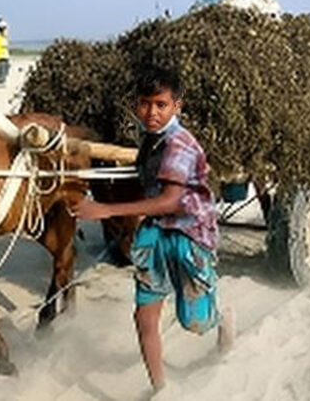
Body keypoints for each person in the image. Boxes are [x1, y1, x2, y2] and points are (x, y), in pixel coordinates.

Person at [72, 67, 234, 394]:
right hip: (155, 234)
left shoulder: (180, 145)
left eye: (161, 105)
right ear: (136, 105)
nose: (152, 112)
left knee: (195, 323)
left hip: (190, 235)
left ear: (177, 106)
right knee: (144, 319)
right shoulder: (150, 140)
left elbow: (170, 201)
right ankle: (161, 389)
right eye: (145, 104)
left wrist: (104, 210)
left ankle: (223, 317)